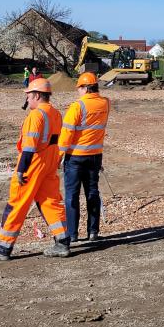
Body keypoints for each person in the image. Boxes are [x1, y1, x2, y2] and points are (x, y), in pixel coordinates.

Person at [0, 78, 71, 261]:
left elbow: (29, 146)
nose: (27, 99)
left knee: (17, 203)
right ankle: (62, 243)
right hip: (50, 161)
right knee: (51, 202)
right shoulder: (55, 113)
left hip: (34, 163)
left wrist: (21, 170)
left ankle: (2, 248)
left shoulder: (36, 115)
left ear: (37, 95)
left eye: (29, 96)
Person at [59, 71, 110, 243]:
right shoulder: (105, 103)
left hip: (75, 157)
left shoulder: (77, 106)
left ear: (85, 88)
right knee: (92, 193)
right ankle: (93, 232)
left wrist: (58, 155)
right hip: (95, 156)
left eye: (79, 88)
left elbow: (67, 133)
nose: (78, 91)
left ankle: (72, 234)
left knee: (72, 196)